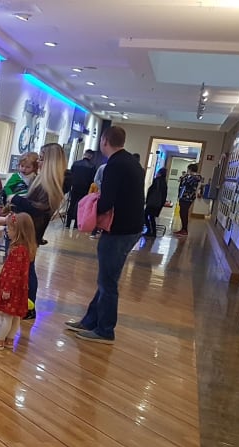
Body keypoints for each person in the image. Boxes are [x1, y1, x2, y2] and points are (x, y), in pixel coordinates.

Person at [66, 126, 145, 343]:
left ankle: (105, 330)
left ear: (104, 141)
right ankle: (91, 320)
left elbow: (107, 201)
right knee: (106, 279)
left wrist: (90, 209)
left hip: (119, 230)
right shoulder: (131, 162)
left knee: (108, 282)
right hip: (130, 228)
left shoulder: (115, 165)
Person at [5, 143, 67, 320]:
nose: (38, 162)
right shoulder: (41, 181)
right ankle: (23, 305)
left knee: (26, 270)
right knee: (23, 269)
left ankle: (28, 306)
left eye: (41, 158)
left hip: (29, 233)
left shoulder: (49, 185)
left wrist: (15, 199)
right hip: (25, 230)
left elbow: (38, 209)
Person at [0, 212, 37, 349]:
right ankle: (9, 340)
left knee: (7, 316)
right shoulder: (27, 248)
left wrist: (6, 289)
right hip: (20, 289)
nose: (7, 231)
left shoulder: (17, 250)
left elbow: (13, 272)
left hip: (11, 288)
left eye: (10, 228)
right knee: (15, 316)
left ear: (19, 231)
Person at [65, 149, 97, 228]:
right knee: (81, 206)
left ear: (84, 154)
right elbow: (93, 180)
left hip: (74, 187)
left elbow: (71, 175)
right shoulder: (92, 166)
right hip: (85, 189)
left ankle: (68, 223)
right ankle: (76, 224)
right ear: (91, 156)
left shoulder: (75, 163)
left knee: (72, 204)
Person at [175, 163, 203, 237]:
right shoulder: (189, 176)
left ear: (190, 169)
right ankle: (183, 229)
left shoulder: (196, 177)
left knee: (184, 212)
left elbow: (186, 183)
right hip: (183, 197)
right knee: (182, 212)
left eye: (188, 169)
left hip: (187, 197)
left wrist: (184, 177)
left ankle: (184, 230)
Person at [144, 168, 168, 237]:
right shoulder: (164, 182)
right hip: (158, 203)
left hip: (152, 202)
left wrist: (147, 200)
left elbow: (151, 191)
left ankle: (149, 230)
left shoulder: (156, 181)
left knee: (145, 215)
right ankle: (153, 232)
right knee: (152, 217)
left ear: (159, 173)